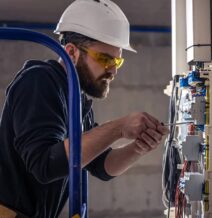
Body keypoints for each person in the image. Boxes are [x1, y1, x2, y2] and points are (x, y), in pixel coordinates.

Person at [0, 0, 168, 217]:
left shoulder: (77, 98)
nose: (113, 71)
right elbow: (45, 164)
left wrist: (139, 147)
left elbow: (102, 166)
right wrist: (119, 128)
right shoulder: (39, 82)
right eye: (105, 59)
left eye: (117, 62)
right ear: (71, 52)